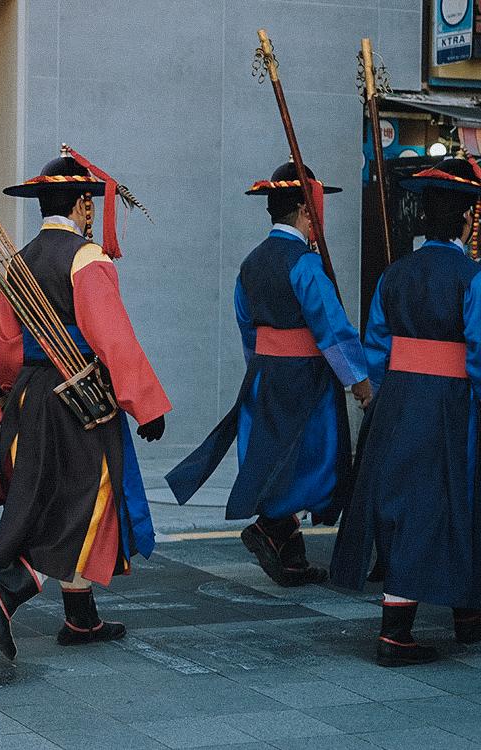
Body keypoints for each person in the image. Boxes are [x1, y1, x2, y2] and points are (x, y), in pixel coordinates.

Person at [0, 147, 170, 661]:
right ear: (81, 204)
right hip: (78, 397)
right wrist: (145, 403)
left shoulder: (17, 261)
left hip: (33, 394)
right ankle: (6, 590)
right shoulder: (85, 257)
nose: (89, 214)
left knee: (57, 496)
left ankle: (80, 618)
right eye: (87, 205)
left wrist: (8, 395)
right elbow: (112, 338)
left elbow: (7, 345)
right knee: (87, 501)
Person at [166, 162, 370, 587]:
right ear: (303, 209)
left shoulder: (251, 263)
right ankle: (272, 530)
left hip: (263, 374)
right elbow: (330, 325)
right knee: (317, 462)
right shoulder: (306, 264)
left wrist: (257, 368)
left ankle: (290, 557)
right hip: (306, 377)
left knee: (275, 459)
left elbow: (246, 324)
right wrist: (357, 377)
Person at [330, 157, 481, 666]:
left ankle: (452, 616)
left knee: (402, 499)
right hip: (454, 400)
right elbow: (479, 350)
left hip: (397, 398)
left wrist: (379, 393)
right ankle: (406, 632)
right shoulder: (473, 277)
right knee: (457, 498)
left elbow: (376, 344)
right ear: (466, 219)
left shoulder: (394, 275)